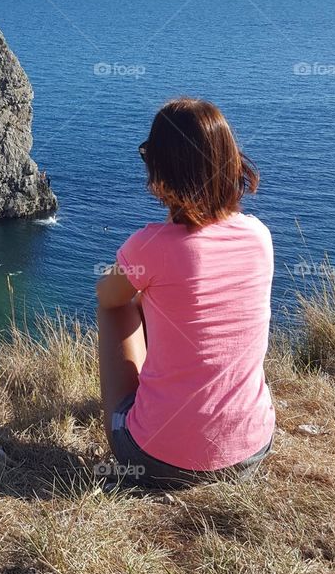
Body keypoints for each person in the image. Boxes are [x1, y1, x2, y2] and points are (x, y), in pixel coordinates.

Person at [96, 97, 275, 488]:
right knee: (156, 299)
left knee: (116, 306)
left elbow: (108, 295)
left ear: (161, 171)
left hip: (157, 460)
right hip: (250, 451)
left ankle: (123, 419)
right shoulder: (260, 237)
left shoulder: (150, 246)